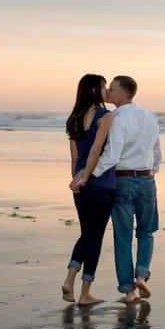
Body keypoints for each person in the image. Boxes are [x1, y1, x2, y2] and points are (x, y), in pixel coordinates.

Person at [71, 75, 161, 303]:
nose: (108, 92)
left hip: (122, 181)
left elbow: (112, 155)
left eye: (111, 89)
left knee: (122, 235)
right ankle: (142, 275)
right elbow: (157, 151)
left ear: (123, 94)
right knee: (146, 231)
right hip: (148, 179)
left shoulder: (117, 118)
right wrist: (152, 171)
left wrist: (88, 173)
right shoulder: (150, 117)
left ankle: (129, 291)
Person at [62, 74, 116, 306]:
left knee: (86, 233)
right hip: (101, 183)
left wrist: (77, 178)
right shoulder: (105, 116)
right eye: (103, 87)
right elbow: (96, 151)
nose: (106, 92)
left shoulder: (73, 118)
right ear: (94, 90)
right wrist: (86, 177)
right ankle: (84, 293)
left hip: (80, 185)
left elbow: (75, 158)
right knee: (95, 237)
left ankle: (69, 280)